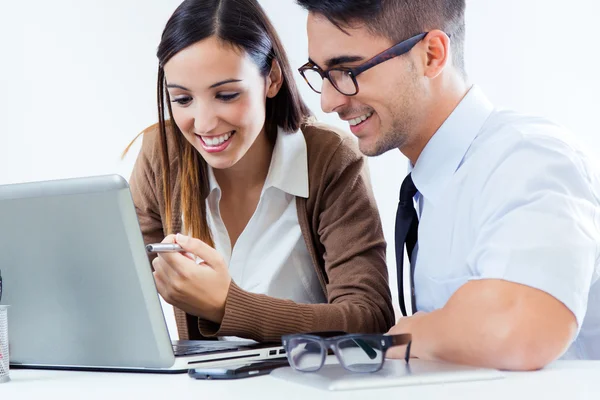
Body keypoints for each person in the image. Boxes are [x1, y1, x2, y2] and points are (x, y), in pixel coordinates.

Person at [295, 0, 600, 369]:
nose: (328, 101)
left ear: (432, 55)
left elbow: (522, 329)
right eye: (320, 72)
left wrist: (412, 332)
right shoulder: (430, 182)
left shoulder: (527, 158)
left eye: (347, 70)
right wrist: (459, 316)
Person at [126, 0, 394, 343]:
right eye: (182, 100)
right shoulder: (162, 156)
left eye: (226, 95)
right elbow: (120, 285)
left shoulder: (330, 160)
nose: (204, 123)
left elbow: (369, 316)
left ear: (272, 79)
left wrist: (227, 306)